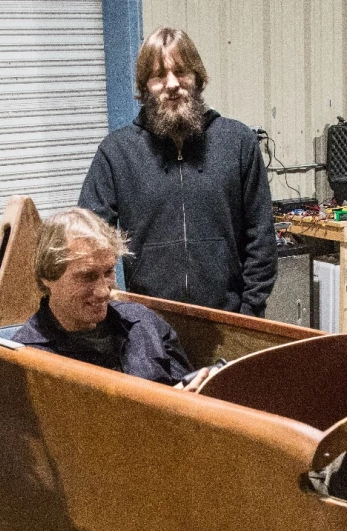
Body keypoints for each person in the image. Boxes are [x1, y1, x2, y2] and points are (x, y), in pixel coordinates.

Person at [78, 27, 277, 316]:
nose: (172, 84)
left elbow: (261, 235)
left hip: (230, 318)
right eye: (159, 76)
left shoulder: (238, 142)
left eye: (181, 72)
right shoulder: (116, 152)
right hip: (148, 322)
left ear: (198, 77)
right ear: (146, 85)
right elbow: (89, 240)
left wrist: (249, 310)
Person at [11, 208, 210, 391]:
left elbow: (188, 387)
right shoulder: (26, 358)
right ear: (48, 276)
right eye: (87, 276)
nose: (104, 291)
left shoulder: (144, 322)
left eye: (108, 272)